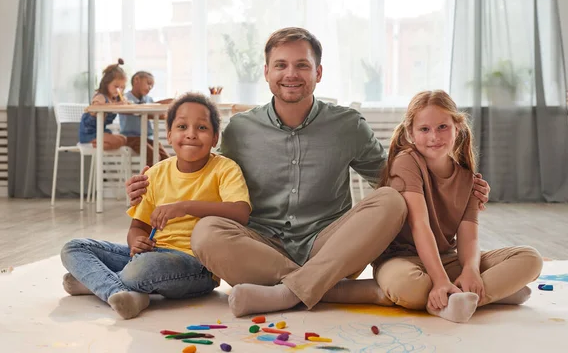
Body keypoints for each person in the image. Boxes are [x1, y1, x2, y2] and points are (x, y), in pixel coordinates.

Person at [125, 27, 491, 317]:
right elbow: (206, 175)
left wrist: (457, 189)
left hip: (328, 245)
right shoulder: (240, 129)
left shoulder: (347, 125)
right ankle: (331, 290)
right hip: (260, 248)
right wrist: (152, 185)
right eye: (281, 65)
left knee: (390, 201)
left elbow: (397, 179)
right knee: (206, 233)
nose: (291, 74)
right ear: (266, 72)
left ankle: (287, 292)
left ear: (318, 72)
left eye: (301, 65)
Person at [61, 93, 251, 319]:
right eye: (182, 126)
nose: (191, 134)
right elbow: (137, 227)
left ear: (215, 138)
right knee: (74, 248)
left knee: (141, 269)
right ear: (169, 135)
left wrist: (185, 207)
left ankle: (95, 280)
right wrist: (135, 242)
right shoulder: (156, 173)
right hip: (151, 254)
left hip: (196, 266)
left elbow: (241, 212)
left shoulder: (225, 169)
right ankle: (121, 291)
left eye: (201, 128)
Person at [364, 90, 541, 323]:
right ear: (410, 133)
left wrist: (471, 270)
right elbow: (420, 225)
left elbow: (469, 237)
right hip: (401, 260)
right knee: (409, 288)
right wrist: (438, 280)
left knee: (531, 258)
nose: (434, 136)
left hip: (446, 259)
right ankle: (486, 294)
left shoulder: (468, 179)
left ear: (457, 127)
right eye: (424, 129)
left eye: (442, 127)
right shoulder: (407, 161)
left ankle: (457, 296)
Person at [119, 71, 170, 166]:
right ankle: (150, 180)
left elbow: (154, 114)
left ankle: (164, 180)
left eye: (152, 86)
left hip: (148, 138)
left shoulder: (149, 99)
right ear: (136, 80)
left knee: (166, 159)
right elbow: (131, 109)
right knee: (153, 156)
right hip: (132, 137)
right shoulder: (124, 98)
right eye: (148, 83)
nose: (150, 88)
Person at [79, 59, 128, 150]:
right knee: (118, 141)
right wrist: (116, 105)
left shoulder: (115, 99)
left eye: (122, 87)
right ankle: (97, 144)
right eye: (116, 86)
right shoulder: (100, 97)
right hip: (90, 133)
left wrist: (126, 104)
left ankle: (100, 146)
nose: (119, 90)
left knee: (123, 139)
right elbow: (95, 107)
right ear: (106, 84)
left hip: (102, 132)